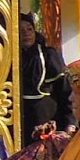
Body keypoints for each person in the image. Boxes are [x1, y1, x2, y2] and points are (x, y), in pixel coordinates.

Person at [19, 13, 70, 144]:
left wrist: (70, 123)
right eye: (21, 30)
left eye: (29, 29)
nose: (26, 34)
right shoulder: (8, 58)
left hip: (46, 118)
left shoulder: (49, 55)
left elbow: (65, 91)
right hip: (20, 121)